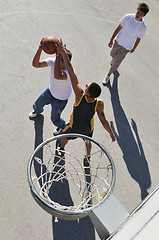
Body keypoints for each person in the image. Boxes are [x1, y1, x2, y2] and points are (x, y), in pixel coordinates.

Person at [56, 40, 115, 166]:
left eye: (87, 86)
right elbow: (103, 120)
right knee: (88, 141)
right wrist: (110, 132)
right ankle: (87, 158)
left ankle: (61, 149)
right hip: (87, 129)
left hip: (74, 127)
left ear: (87, 93)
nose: (86, 85)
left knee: (64, 136)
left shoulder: (79, 95)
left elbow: (72, 73)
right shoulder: (99, 103)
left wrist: (64, 54)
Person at [29, 38, 72, 135]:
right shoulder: (54, 61)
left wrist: (58, 56)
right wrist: (40, 50)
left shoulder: (69, 72)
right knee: (36, 105)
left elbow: (58, 75)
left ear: (68, 61)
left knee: (55, 120)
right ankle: (38, 111)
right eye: (60, 60)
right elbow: (36, 64)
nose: (62, 63)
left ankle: (62, 126)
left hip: (61, 100)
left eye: (64, 60)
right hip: (50, 91)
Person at [103, 2, 149, 85]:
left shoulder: (143, 27)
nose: (138, 14)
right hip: (118, 42)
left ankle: (108, 75)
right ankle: (114, 65)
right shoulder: (128, 17)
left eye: (140, 14)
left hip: (127, 47)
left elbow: (138, 39)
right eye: (138, 12)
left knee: (117, 61)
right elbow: (119, 27)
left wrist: (134, 48)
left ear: (144, 15)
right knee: (112, 55)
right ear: (136, 10)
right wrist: (111, 39)